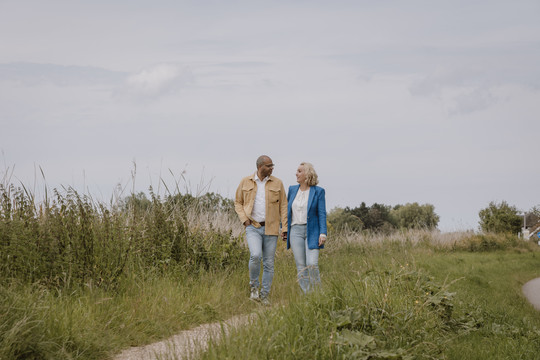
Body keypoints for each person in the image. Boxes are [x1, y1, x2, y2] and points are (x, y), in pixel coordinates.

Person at [234, 155, 288, 305]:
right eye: (269, 166)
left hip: (271, 228)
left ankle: (264, 296)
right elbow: (238, 202)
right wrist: (244, 220)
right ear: (260, 167)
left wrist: (285, 227)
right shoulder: (246, 181)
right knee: (256, 255)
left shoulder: (278, 183)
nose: (272, 168)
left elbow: (283, 206)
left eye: (272, 166)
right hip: (253, 227)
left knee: (269, 263)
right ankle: (254, 288)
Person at [287, 162, 327, 294]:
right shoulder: (292, 189)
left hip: (313, 231)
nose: (296, 174)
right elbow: (286, 211)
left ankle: (317, 294)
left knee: (312, 264)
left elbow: (321, 213)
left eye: (299, 171)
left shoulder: (318, 191)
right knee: (301, 266)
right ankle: (307, 295)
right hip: (295, 231)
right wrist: (284, 228)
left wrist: (323, 233)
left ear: (307, 174)